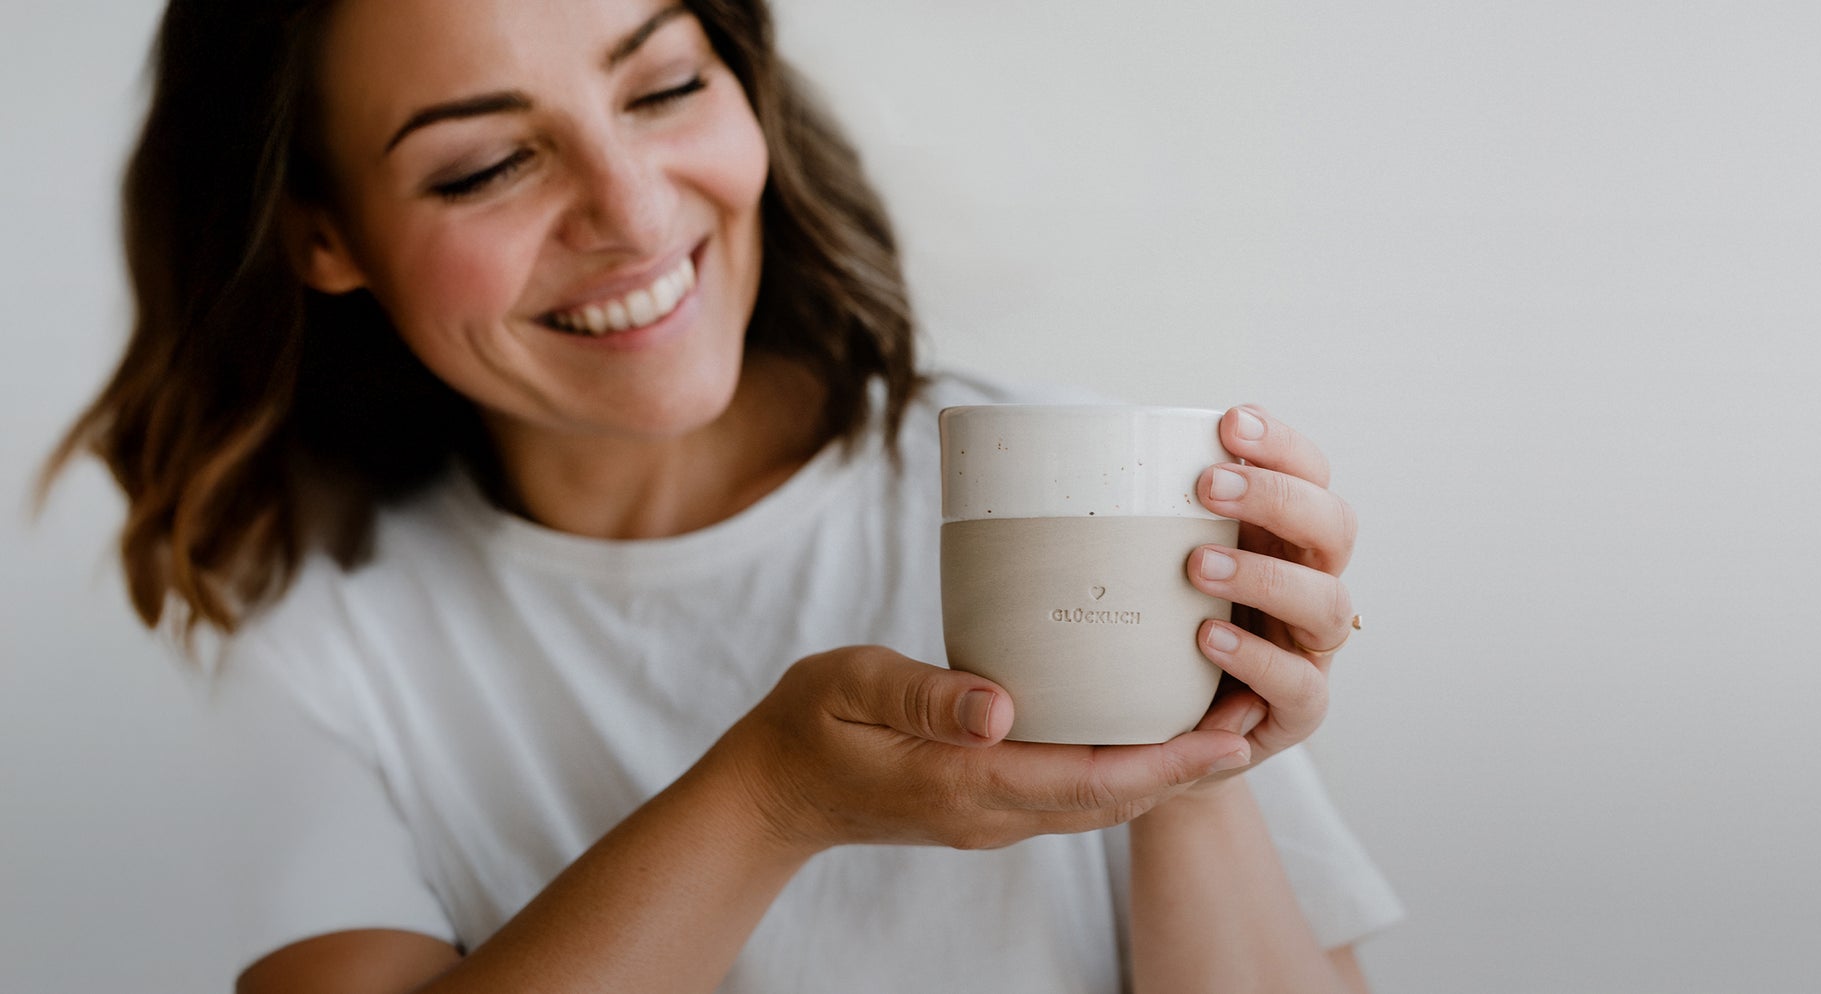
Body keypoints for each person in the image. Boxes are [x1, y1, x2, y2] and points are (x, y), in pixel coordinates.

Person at [49, 0, 1403, 990]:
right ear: (323, 235)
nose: (635, 214)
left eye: (662, 88)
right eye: (484, 165)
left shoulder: (1069, 489)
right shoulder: (298, 637)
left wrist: (1192, 740)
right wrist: (772, 796)